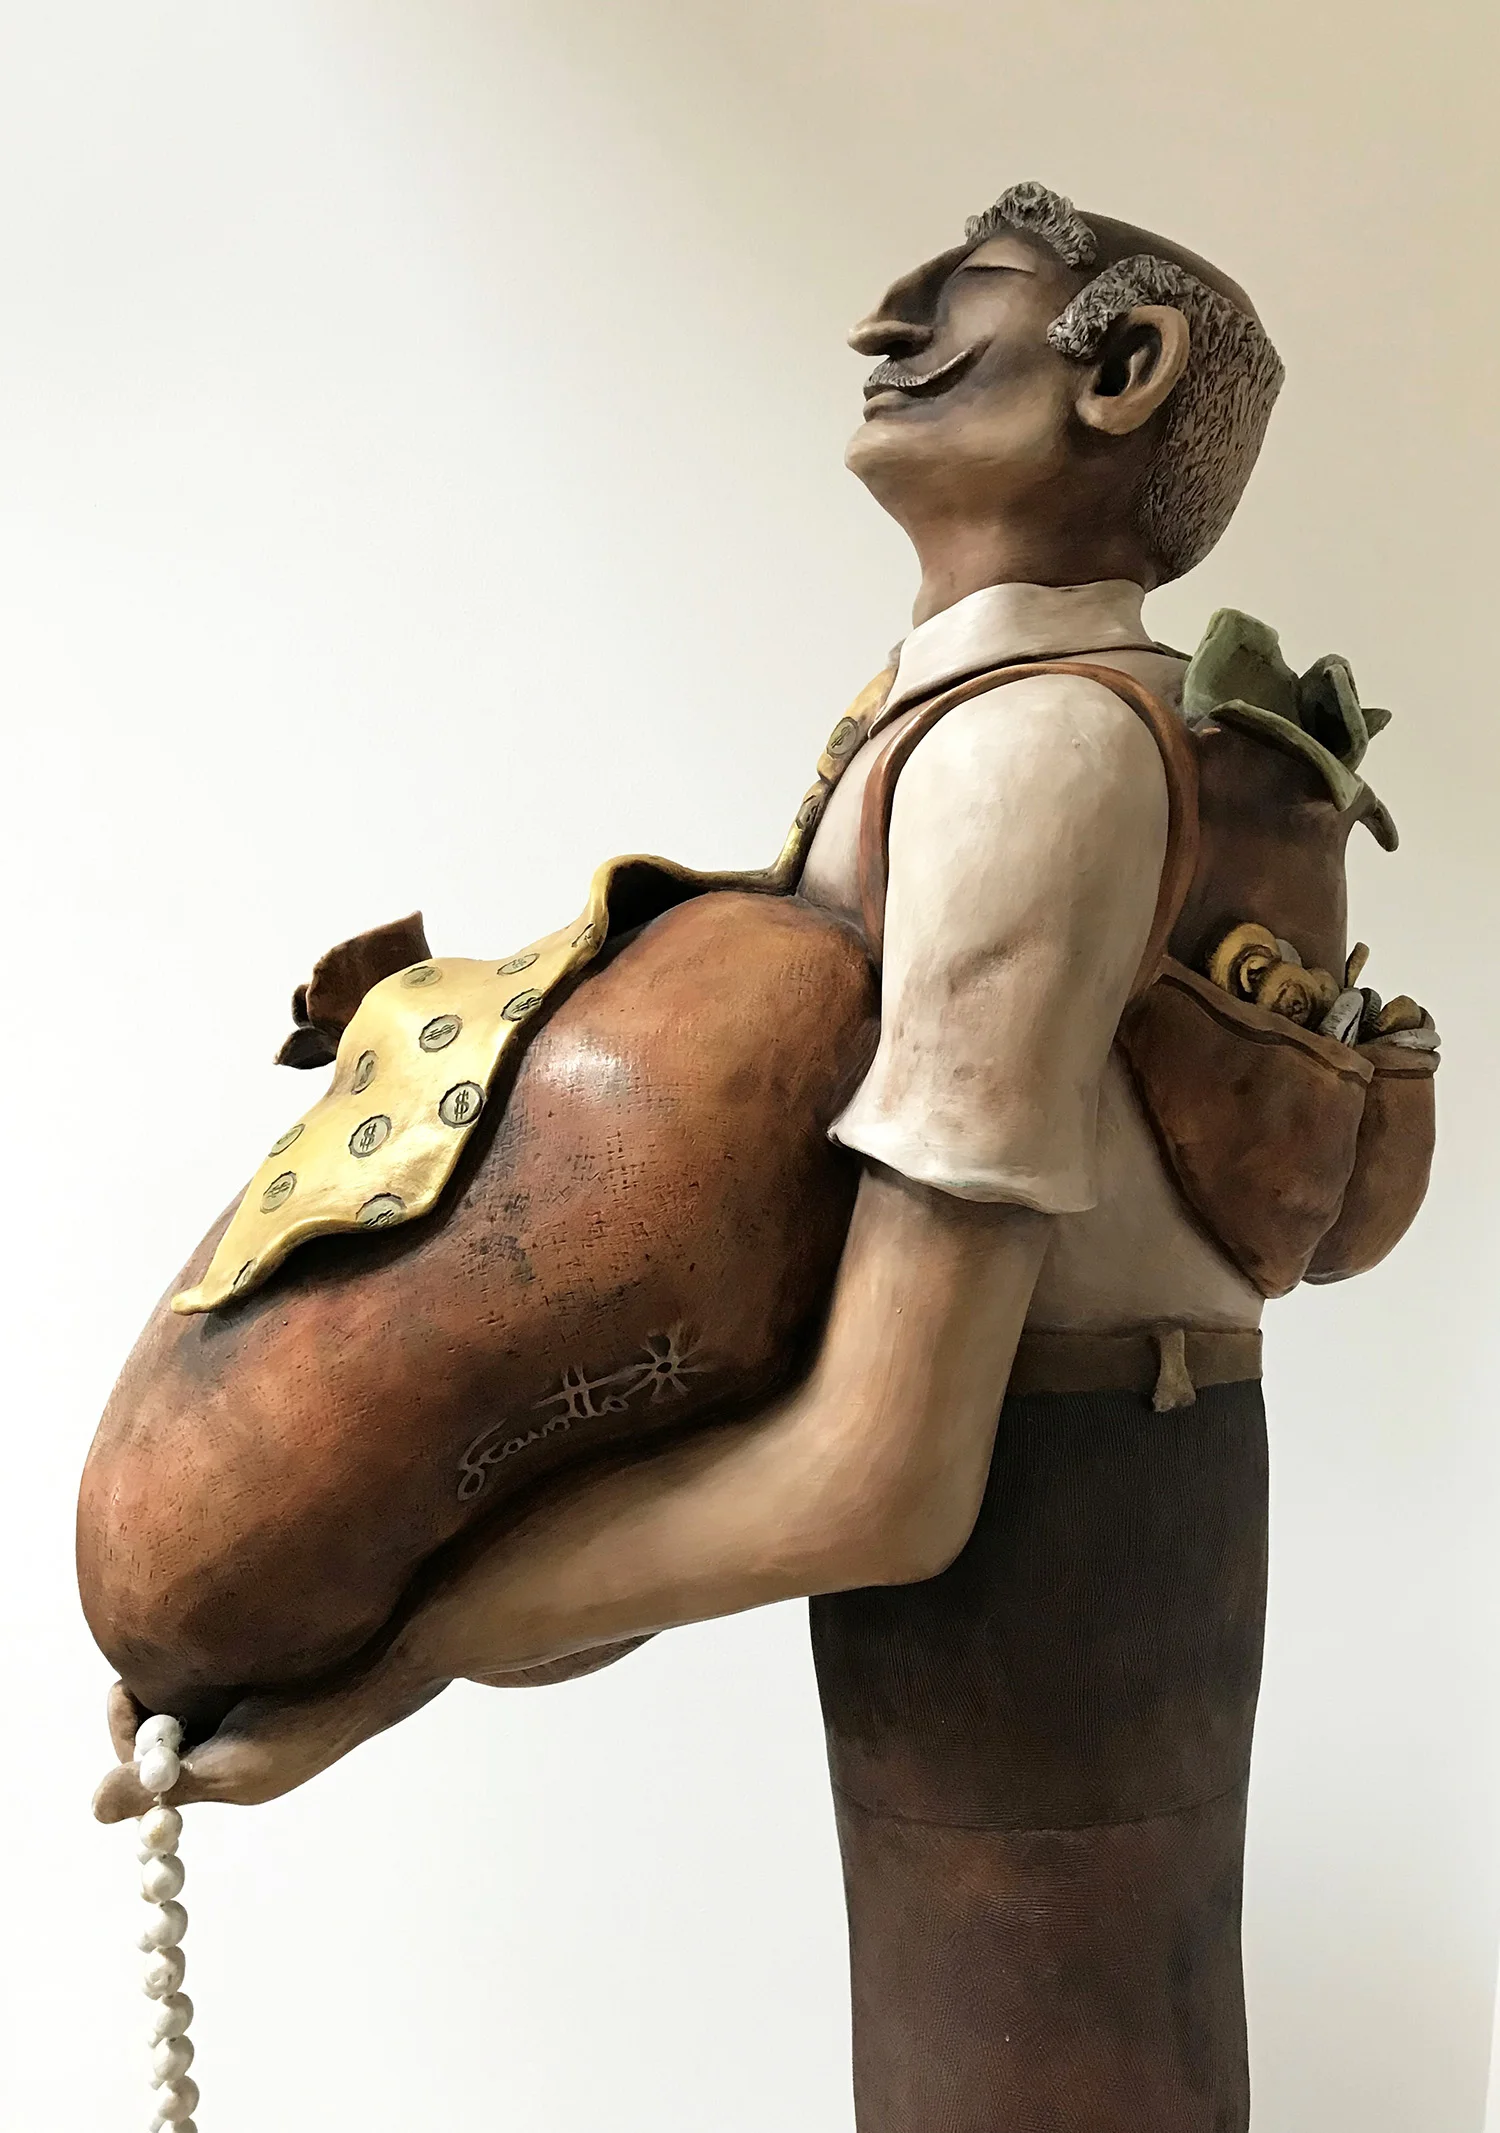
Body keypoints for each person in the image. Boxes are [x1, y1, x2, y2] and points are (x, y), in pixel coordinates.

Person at [98, 182, 1289, 2128]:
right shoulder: (951, 722)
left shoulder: (1035, 756)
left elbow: (884, 1474)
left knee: (1026, 2059)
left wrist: (405, 1644)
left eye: (966, 290)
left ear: (1126, 369)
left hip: (1063, 1533)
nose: (885, 323)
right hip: (1062, 1513)